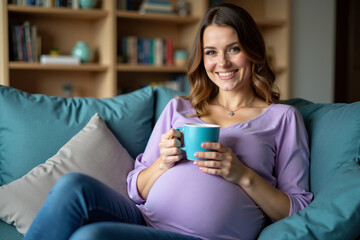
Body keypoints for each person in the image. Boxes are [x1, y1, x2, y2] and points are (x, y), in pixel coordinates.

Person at [24, 3, 313, 240]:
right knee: (72, 186)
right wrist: (163, 162)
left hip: (199, 236)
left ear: (252, 52)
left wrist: (241, 174)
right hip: (144, 219)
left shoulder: (282, 118)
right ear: (202, 58)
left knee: (91, 237)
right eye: (211, 52)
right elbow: (135, 188)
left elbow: (297, 207)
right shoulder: (179, 108)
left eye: (233, 49)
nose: (222, 62)